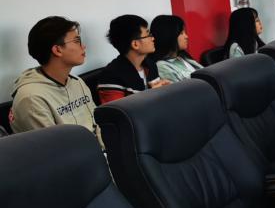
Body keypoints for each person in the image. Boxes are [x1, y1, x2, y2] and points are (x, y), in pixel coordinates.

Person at [9, 16, 103, 148]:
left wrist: (107, 150)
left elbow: (97, 122)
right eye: (77, 41)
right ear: (57, 50)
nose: (83, 46)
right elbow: (54, 149)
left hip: (97, 152)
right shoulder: (31, 97)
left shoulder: (76, 81)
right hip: (72, 158)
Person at [98, 15, 168, 103]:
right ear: (135, 44)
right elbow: (118, 110)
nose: (153, 38)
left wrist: (167, 90)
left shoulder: (150, 65)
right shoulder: (111, 75)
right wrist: (152, 95)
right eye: (148, 35)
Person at [149, 15, 202, 82]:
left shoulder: (183, 57)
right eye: (181, 33)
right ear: (168, 36)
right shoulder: (162, 66)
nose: (186, 36)